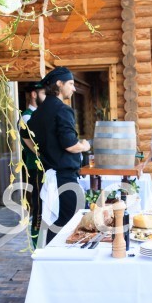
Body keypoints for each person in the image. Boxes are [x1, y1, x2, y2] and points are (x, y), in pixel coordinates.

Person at [26, 67, 90, 244]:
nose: (74, 88)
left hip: (51, 176)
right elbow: (70, 145)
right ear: (59, 84)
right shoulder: (63, 110)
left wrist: (40, 152)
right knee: (74, 223)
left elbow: (24, 133)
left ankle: (53, 260)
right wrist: (84, 146)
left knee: (56, 224)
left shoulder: (39, 112)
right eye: (70, 83)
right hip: (64, 178)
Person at [19, 82, 46, 245]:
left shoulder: (38, 114)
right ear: (34, 95)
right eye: (43, 93)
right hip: (35, 167)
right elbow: (35, 145)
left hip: (42, 167)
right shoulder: (27, 117)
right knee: (38, 205)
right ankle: (36, 244)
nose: (46, 97)